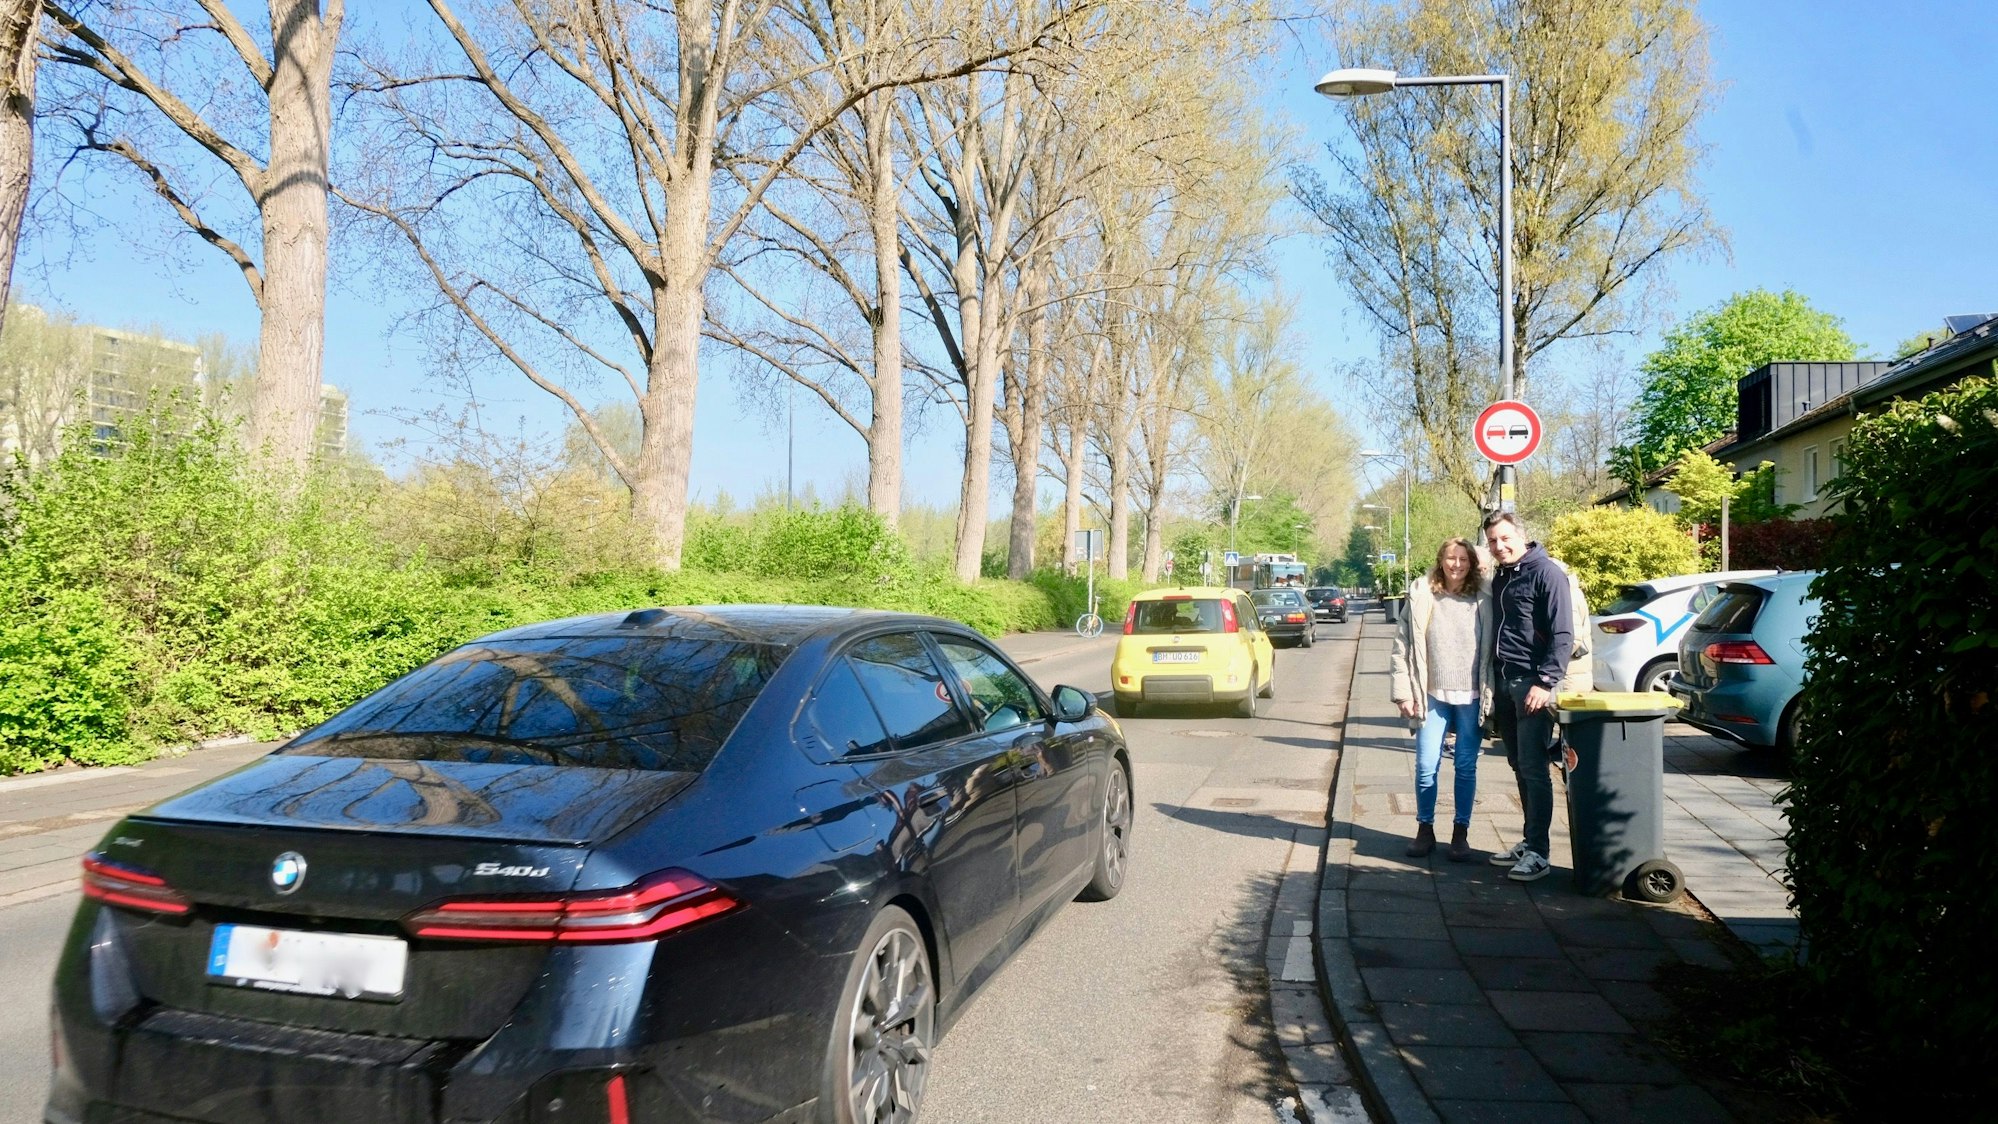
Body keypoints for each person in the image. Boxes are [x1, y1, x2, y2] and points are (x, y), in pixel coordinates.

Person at [1482, 511, 1573, 882]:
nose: (1499, 546)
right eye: (1492, 541)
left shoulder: (1546, 573)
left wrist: (1546, 680)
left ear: (1522, 536)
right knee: (1519, 765)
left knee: (1535, 769)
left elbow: (1562, 634)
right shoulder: (1503, 575)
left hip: (1532, 685)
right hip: (1505, 684)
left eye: (1505, 538)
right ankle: (1529, 839)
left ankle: (1539, 852)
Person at [1389, 538, 1492, 861]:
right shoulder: (1422, 596)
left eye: (1463, 559)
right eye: (1451, 558)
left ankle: (1460, 833)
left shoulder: (1484, 596)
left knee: (1465, 766)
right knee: (1424, 765)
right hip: (1430, 694)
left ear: (1472, 563)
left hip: (1472, 695)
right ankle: (1425, 829)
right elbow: (1402, 647)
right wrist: (1403, 692)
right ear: (1440, 560)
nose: (1457, 564)